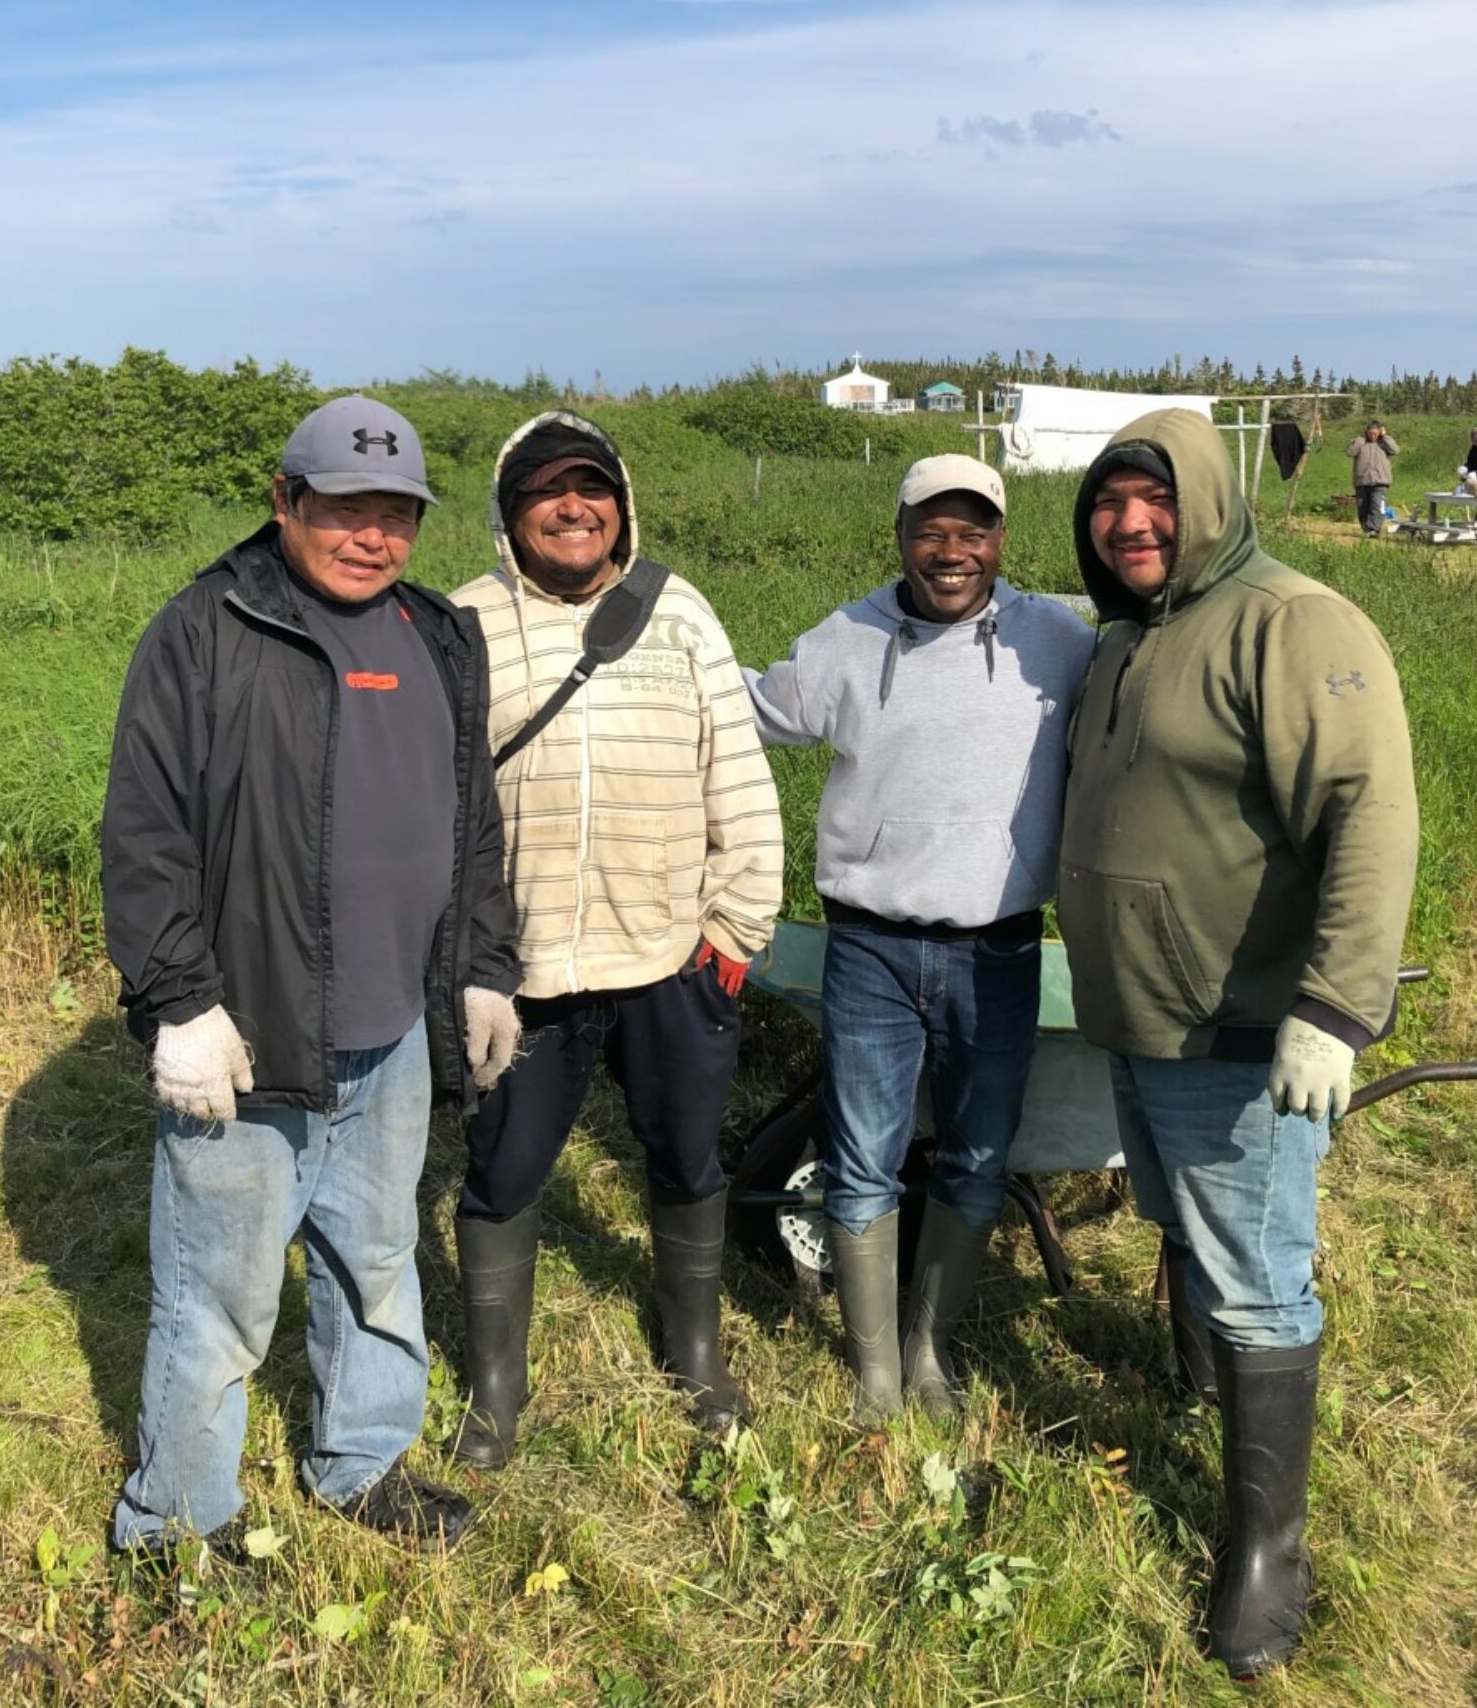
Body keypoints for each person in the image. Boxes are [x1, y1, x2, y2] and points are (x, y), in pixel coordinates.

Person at [102, 394, 521, 1561]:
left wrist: (485, 968)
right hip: (253, 1033)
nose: (370, 536)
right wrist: (178, 1003)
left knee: (379, 1262)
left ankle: (363, 1462)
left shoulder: (438, 634)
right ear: (286, 502)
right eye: (344, 509)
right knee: (219, 1294)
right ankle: (176, 1523)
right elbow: (143, 837)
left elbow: (471, 822)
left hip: (393, 1027)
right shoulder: (208, 628)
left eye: (395, 514)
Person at [1058, 409, 1418, 1680]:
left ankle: (1269, 1546)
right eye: (1108, 502)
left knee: (1259, 1275)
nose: (1130, 522)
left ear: (1208, 500)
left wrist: (1332, 1007)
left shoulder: (1291, 623)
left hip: (1239, 1023)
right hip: (1141, 1015)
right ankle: (1198, 1403)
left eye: (1155, 499)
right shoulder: (1126, 639)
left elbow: (1371, 811)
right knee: (1189, 1230)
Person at [448, 412, 782, 1467]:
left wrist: (734, 931)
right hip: (523, 968)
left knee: (684, 1156)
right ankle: (498, 1382)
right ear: (509, 514)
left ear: (620, 503)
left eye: (590, 486)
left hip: (669, 954)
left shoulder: (678, 615)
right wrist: (462, 958)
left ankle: (693, 1350)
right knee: (503, 1172)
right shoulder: (462, 625)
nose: (572, 505)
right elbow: (428, 805)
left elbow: (738, 774)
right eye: (546, 489)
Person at [744, 457, 1095, 1421]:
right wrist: (658, 653)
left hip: (1001, 950)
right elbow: (750, 708)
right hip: (869, 951)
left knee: (979, 1157)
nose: (952, 552)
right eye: (931, 530)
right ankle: (875, 1376)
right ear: (899, 534)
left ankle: (929, 1353)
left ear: (1001, 542)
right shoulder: (845, 639)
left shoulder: (1059, 644)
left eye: (972, 531)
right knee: (863, 1159)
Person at [1344, 420, 1397, 535]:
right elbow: (1350, 452)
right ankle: (1366, 529)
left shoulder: (1384, 443)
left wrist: (1385, 436)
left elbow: (1395, 450)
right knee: (1362, 507)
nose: (1373, 436)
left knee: (1377, 505)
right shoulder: (1360, 442)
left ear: (1380, 432)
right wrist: (1361, 439)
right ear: (1366, 432)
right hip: (1362, 481)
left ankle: (1374, 529)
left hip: (1380, 481)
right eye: (1370, 433)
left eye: (1375, 433)